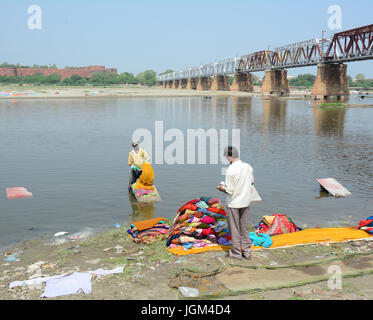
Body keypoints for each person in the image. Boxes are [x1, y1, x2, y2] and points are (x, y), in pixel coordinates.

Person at [217, 146, 254, 260]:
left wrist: (221, 188)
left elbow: (230, 190)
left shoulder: (231, 170)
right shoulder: (248, 166)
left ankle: (236, 253)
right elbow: (251, 183)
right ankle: (247, 252)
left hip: (234, 203)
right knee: (244, 227)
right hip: (246, 201)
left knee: (234, 228)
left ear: (229, 156)